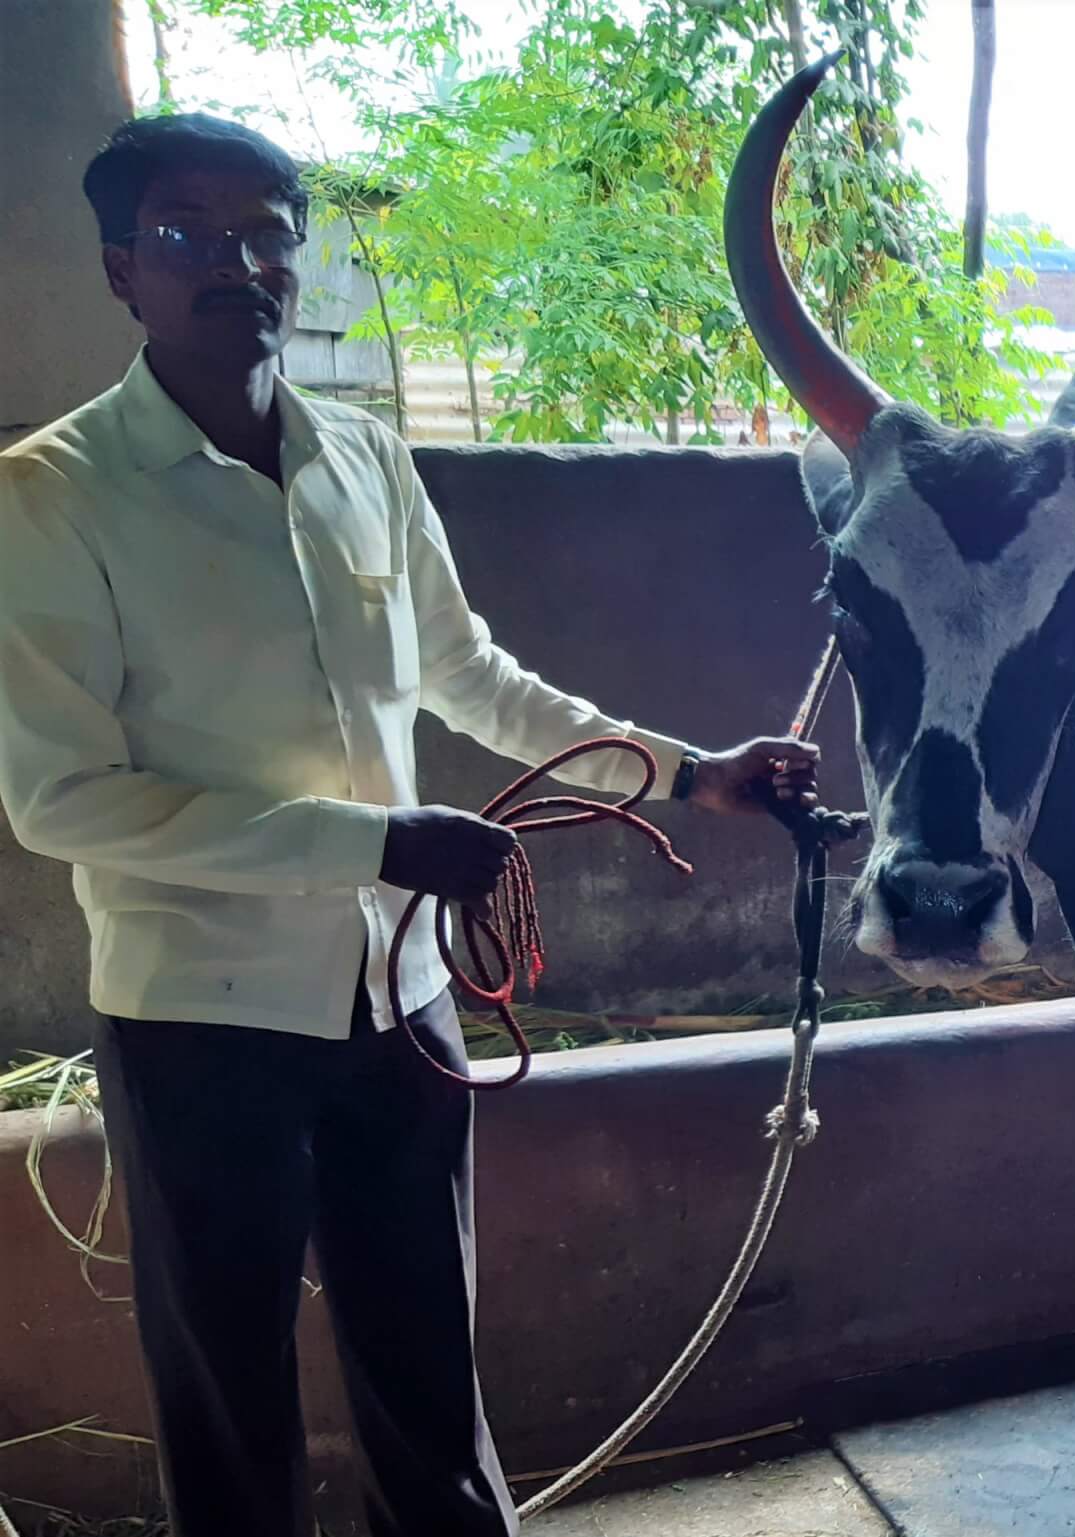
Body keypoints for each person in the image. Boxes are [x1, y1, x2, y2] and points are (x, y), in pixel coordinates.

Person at [0, 113, 819, 1536]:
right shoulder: (48, 498)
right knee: (226, 1401)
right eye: (190, 237)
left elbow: (477, 681)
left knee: (428, 1373)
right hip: (202, 1023)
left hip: (401, 1000)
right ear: (123, 271)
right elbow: (65, 798)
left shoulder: (365, 460)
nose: (239, 265)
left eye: (268, 232)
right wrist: (371, 845)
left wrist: (696, 774)